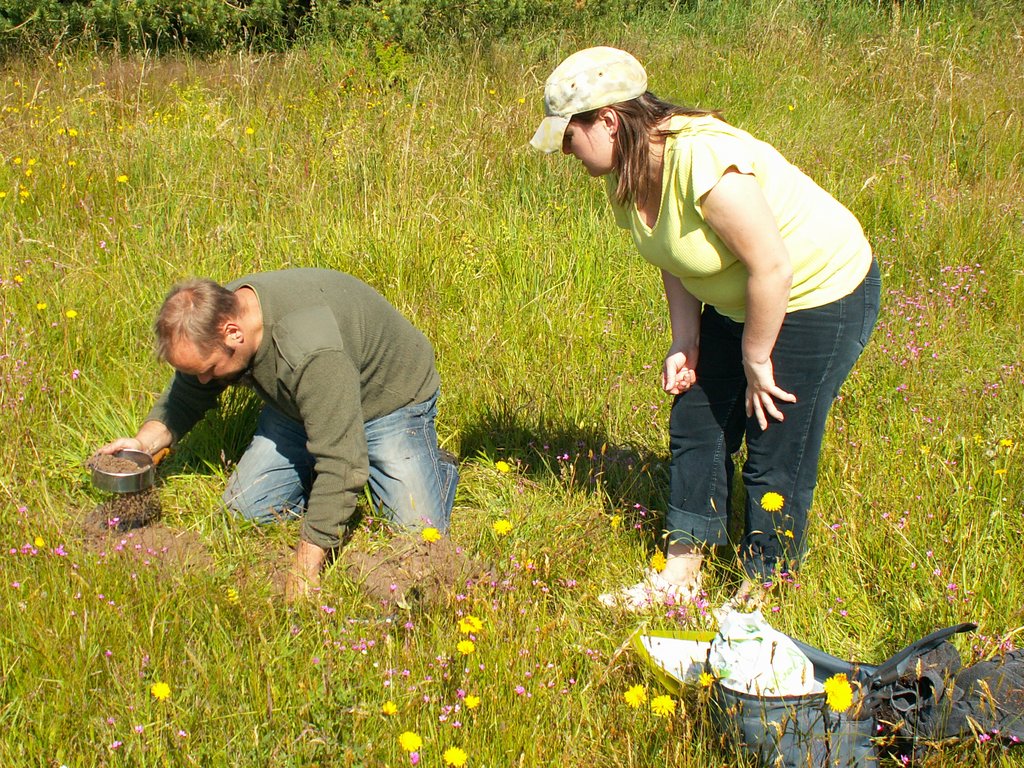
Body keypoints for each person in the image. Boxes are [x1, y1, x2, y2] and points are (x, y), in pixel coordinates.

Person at [531, 47, 881, 609]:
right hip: (747, 299)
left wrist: (757, 357)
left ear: (609, 122)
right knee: (696, 415)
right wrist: (686, 342)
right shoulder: (627, 173)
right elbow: (673, 255)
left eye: (568, 135)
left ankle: (761, 588)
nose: (564, 150)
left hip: (820, 293)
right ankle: (681, 575)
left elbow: (773, 266)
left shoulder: (703, 160)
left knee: (774, 440)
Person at [96, 268, 459, 599]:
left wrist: (304, 568)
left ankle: (436, 465)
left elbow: (344, 461)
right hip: (301, 406)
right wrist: (144, 443)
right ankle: (329, 488)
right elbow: (190, 392)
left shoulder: (309, 350)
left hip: (386, 403)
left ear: (233, 334)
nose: (204, 380)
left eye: (208, 370)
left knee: (415, 534)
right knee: (246, 510)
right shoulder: (224, 313)